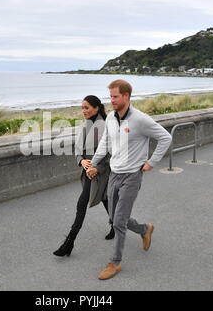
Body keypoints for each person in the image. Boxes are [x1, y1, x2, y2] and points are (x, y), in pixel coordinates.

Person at [87, 80, 172, 280]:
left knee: (118, 221)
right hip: (114, 174)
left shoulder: (141, 120)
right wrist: (93, 163)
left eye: (115, 96)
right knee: (114, 218)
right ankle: (144, 229)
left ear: (126, 96)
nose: (112, 100)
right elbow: (105, 143)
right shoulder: (110, 118)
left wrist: (151, 162)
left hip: (132, 176)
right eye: (110, 97)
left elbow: (165, 137)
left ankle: (115, 263)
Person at [53, 95, 113, 257]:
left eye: (86, 107)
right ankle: (115, 224)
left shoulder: (106, 126)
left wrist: (97, 168)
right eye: (82, 108)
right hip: (87, 170)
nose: (83, 111)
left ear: (96, 108)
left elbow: (110, 154)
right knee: (105, 199)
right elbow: (78, 150)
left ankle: (69, 242)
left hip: (100, 172)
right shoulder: (84, 125)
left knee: (82, 203)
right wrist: (81, 161)